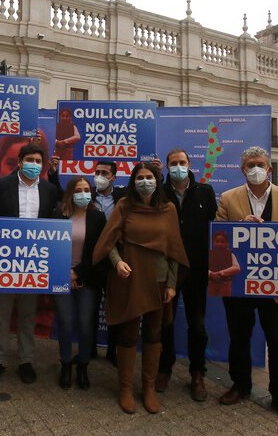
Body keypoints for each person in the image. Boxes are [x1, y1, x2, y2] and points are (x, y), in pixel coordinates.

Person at [214, 146, 278, 422]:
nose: (255, 168)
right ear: (243, 170)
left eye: (260, 164)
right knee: (239, 336)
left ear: (269, 169)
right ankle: (240, 384)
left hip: (275, 285)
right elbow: (217, 238)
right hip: (239, 283)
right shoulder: (228, 199)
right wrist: (239, 226)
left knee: (277, 339)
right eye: (250, 164)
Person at [92, 162, 188, 414]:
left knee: (154, 334)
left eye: (149, 177)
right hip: (130, 279)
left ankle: (148, 387)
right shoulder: (124, 206)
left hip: (158, 281)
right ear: (133, 181)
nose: (145, 181)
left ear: (157, 180)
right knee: (128, 334)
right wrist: (118, 262)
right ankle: (124, 388)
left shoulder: (168, 209)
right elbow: (109, 241)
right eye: (140, 177)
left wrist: (171, 284)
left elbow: (174, 250)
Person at [0, 143, 58, 386]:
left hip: (33, 264)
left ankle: (26, 360)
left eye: (38, 160)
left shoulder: (49, 189)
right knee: (1, 315)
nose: (34, 164)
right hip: (3, 262)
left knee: (27, 315)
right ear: (20, 161)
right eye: (30, 159)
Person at [155, 149, 217, 401]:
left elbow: (216, 227)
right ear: (167, 166)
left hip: (197, 269)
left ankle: (197, 373)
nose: (178, 166)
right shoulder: (160, 191)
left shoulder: (205, 191)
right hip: (167, 269)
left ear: (189, 165)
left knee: (198, 325)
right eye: (173, 163)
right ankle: (164, 368)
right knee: (165, 322)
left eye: (182, 163)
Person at [51, 176, 107, 390]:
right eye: (78, 189)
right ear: (70, 193)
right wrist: (65, 272)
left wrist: (76, 273)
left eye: (86, 189)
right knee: (64, 322)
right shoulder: (58, 214)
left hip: (87, 278)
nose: (83, 193)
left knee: (85, 324)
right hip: (60, 276)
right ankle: (65, 364)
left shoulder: (98, 217)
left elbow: (97, 252)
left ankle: (83, 365)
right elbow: (52, 246)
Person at [92, 160, 126, 364]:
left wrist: (157, 172)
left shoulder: (122, 196)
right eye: (97, 172)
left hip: (116, 259)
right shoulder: (87, 195)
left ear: (113, 177)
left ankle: (113, 350)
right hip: (93, 259)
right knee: (91, 306)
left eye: (105, 173)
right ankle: (91, 347)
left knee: (115, 307)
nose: (100, 176)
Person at [207, 231, 241, 297]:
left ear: (227, 243)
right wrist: (211, 274)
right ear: (213, 242)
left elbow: (237, 268)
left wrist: (221, 273)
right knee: (211, 297)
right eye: (217, 241)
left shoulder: (230, 254)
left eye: (222, 242)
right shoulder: (209, 254)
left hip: (225, 284)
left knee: (225, 297)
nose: (219, 244)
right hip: (211, 282)